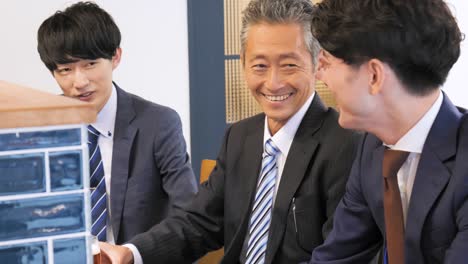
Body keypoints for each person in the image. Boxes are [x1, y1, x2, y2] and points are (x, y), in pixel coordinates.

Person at [99, 0, 360, 263]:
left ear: (318, 64)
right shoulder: (240, 137)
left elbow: (339, 255)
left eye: (289, 65)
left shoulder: (346, 144)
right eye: (260, 66)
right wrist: (131, 253)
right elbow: (199, 222)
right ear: (243, 64)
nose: (274, 82)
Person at [308, 0, 468, 263]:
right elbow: (336, 257)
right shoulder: (370, 148)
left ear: (374, 76)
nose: (318, 75)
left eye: (327, 63)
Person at [37, 1, 198, 245]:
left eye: (90, 64)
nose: (79, 82)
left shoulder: (158, 124)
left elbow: (188, 215)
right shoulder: (40, 127)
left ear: (115, 57)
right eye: (65, 69)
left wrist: (133, 254)